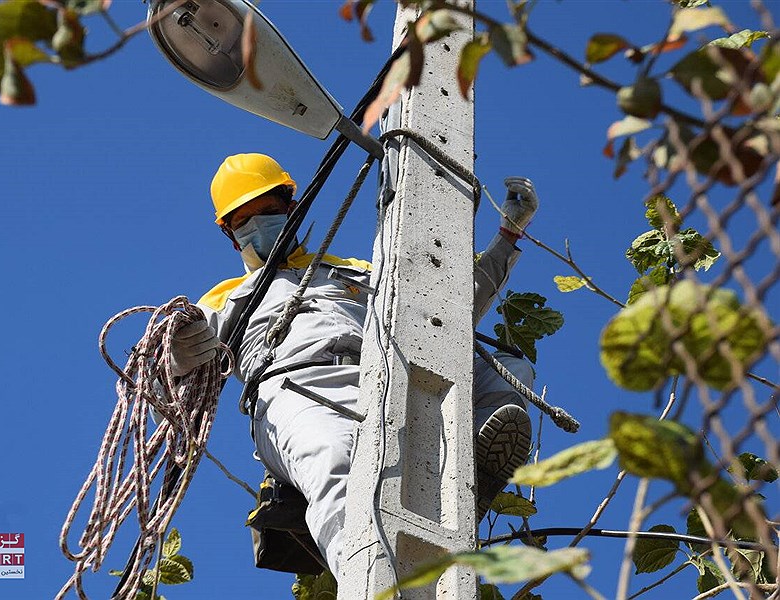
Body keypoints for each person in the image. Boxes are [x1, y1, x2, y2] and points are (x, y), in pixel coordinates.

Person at [169, 153, 538, 578]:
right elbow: (170, 369)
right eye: (243, 220)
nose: (258, 225)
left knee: (507, 370)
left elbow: (444, 310)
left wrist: (508, 236)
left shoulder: (356, 271)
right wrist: (176, 357)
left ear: (292, 208)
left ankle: (466, 474)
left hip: (384, 373)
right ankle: (368, 582)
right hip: (299, 390)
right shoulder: (225, 297)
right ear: (232, 237)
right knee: (337, 467)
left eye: (268, 211)